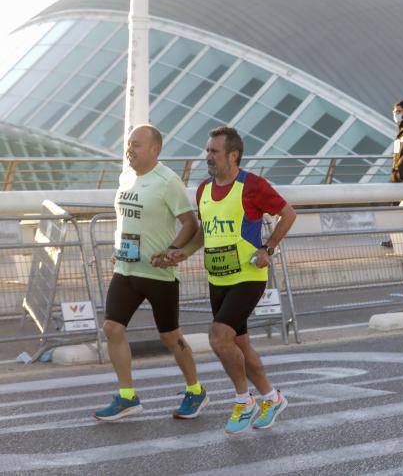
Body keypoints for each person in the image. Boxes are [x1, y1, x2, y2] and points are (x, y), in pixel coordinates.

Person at [165, 126, 297, 435]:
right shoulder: (203, 190)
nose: (207, 156)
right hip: (218, 278)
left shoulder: (252, 185)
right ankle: (271, 397)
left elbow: (288, 214)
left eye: (213, 151)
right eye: (207, 150)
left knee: (218, 337)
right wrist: (180, 253)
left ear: (232, 155)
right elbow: (204, 233)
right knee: (239, 344)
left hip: (249, 275)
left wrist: (269, 248)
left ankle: (243, 401)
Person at [94, 124, 207, 421]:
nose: (129, 149)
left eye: (136, 145)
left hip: (158, 274)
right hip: (126, 268)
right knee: (112, 328)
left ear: (154, 150)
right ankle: (127, 396)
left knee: (170, 337)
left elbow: (190, 224)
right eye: (128, 144)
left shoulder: (167, 180)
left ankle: (195, 390)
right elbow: (125, 219)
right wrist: (119, 247)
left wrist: (172, 251)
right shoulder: (126, 176)